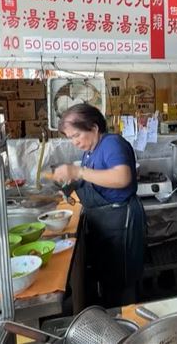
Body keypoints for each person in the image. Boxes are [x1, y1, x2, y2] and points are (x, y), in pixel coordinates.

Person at [52, 104, 145, 308]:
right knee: (109, 282)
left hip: (121, 223)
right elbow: (96, 180)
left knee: (122, 284)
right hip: (106, 224)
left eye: (77, 135)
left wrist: (78, 172)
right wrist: (70, 185)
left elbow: (122, 177)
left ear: (94, 128)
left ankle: (129, 327)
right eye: (70, 138)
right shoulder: (90, 151)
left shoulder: (112, 144)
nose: (75, 142)